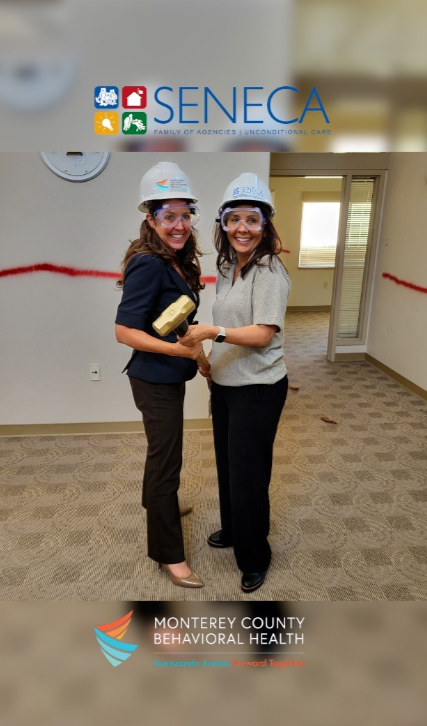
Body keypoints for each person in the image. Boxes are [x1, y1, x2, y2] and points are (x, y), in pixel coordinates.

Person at [179, 172, 291, 593]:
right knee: (228, 465)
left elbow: (263, 333)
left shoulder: (270, 271)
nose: (242, 228)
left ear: (265, 225)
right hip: (226, 384)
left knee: (249, 473)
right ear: (223, 224)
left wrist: (211, 333)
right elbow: (231, 322)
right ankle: (234, 529)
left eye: (252, 219)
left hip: (259, 388)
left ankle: (254, 554)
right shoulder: (228, 265)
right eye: (233, 219)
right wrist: (211, 364)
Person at [115, 161, 205, 589]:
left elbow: (178, 321)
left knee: (163, 454)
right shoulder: (149, 264)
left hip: (169, 374)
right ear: (150, 218)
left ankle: (158, 503)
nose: (180, 224)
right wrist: (177, 352)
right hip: (154, 378)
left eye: (185, 215)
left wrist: (199, 360)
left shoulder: (172, 260)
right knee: (166, 460)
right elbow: (124, 331)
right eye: (169, 216)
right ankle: (170, 554)